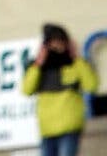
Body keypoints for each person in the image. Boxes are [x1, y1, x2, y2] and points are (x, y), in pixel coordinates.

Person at [21, 23, 99, 156]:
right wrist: (38, 63)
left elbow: (91, 86)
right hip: (47, 129)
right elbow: (26, 90)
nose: (57, 47)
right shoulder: (38, 68)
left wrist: (77, 58)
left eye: (60, 43)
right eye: (52, 43)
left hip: (69, 127)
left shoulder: (76, 65)